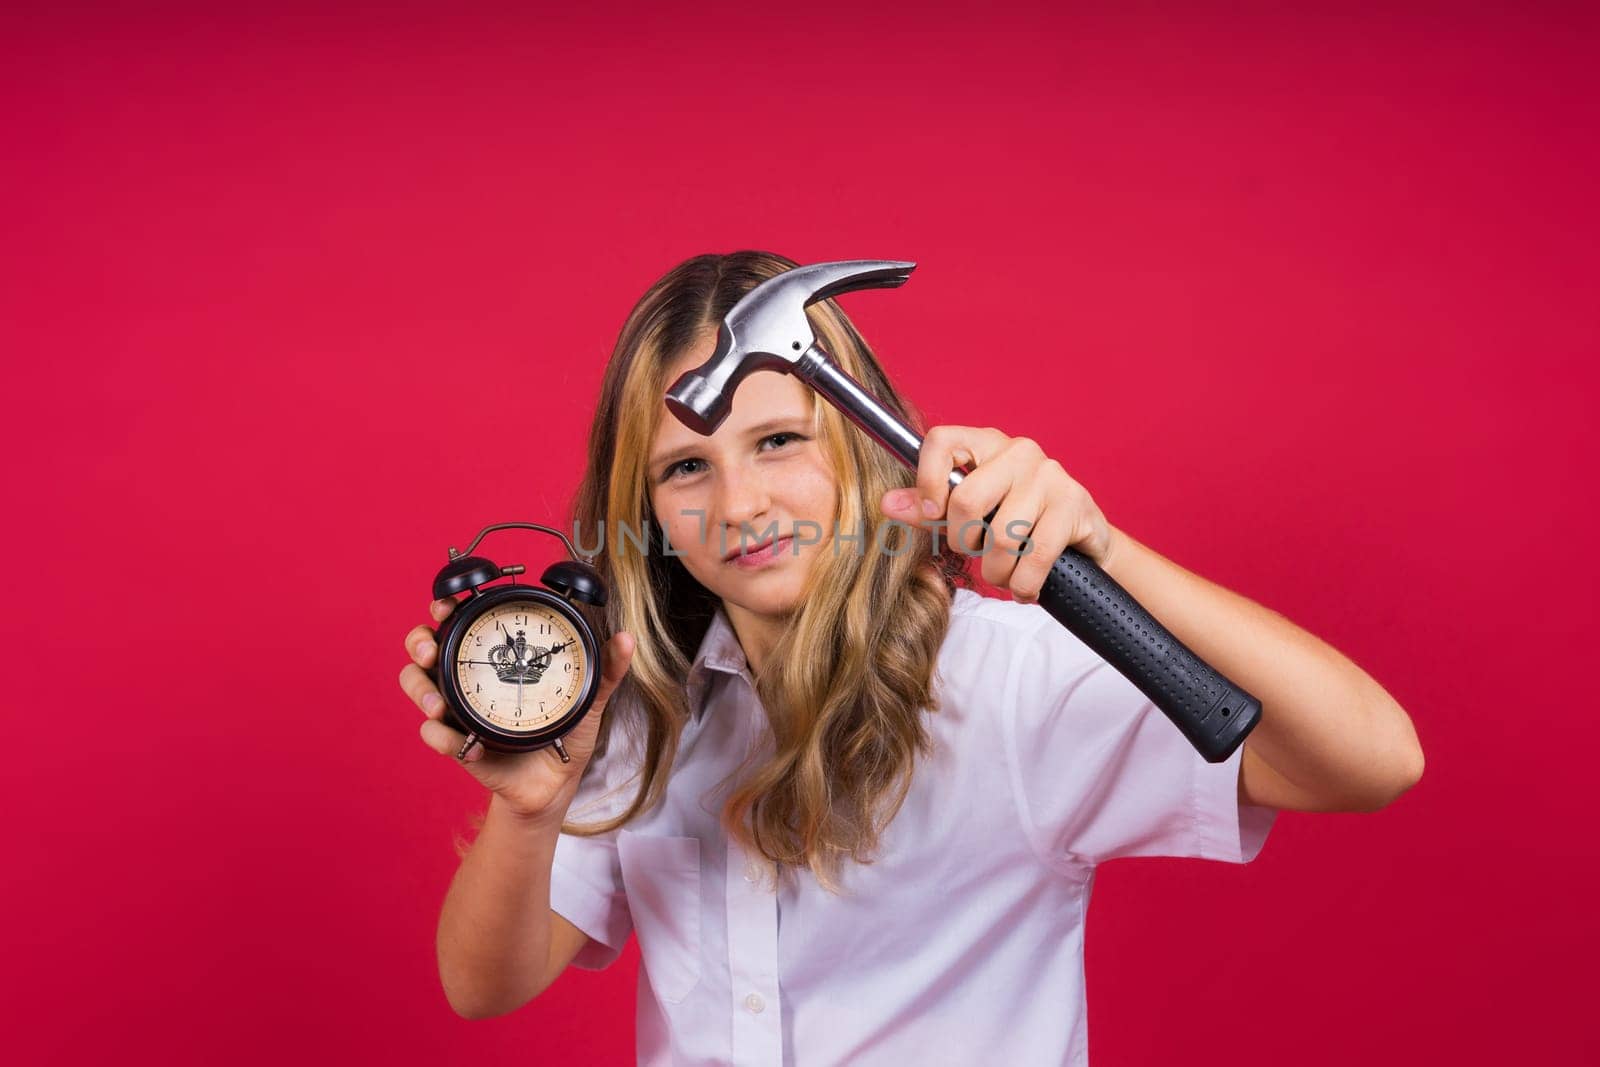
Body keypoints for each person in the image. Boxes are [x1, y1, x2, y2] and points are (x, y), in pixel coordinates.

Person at [397, 250, 1424, 1065]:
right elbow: (482, 985)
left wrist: (1103, 551)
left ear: (855, 442)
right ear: (648, 508)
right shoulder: (633, 701)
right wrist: (528, 807)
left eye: (777, 442)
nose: (741, 505)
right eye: (685, 466)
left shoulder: (1012, 681)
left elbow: (1373, 760)